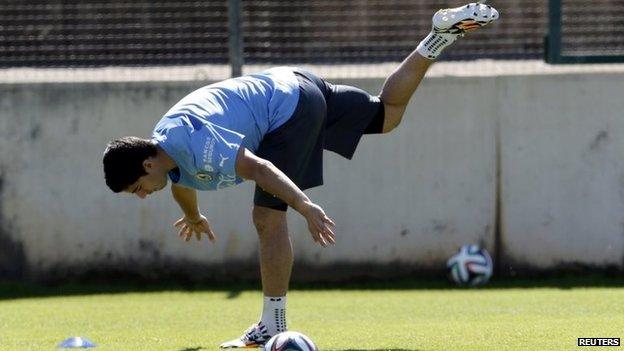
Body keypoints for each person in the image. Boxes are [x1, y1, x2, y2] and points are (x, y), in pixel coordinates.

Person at [102, 3, 499, 348]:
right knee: (387, 115)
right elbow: (181, 186)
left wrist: (304, 205)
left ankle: (269, 328)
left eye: (137, 188)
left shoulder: (192, 141)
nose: (141, 196)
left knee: (266, 217)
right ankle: (436, 37)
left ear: (148, 164)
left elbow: (259, 168)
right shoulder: (168, 153)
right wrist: (191, 215)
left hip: (285, 110)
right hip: (296, 84)